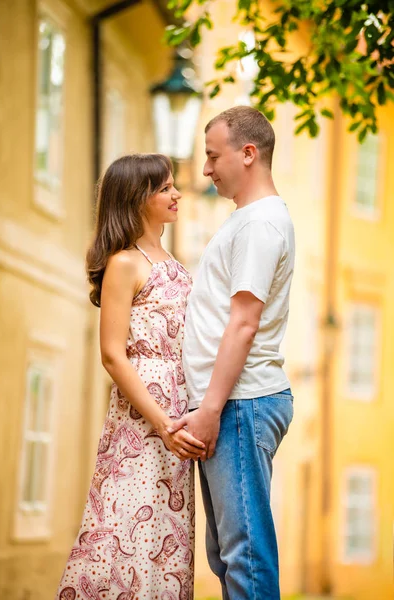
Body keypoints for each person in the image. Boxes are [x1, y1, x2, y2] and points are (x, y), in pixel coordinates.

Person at [56, 154, 205, 600]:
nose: (177, 194)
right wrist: (161, 423)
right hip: (143, 424)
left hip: (176, 422)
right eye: (165, 188)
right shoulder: (125, 263)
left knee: (164, 535)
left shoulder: (175, 262)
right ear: (138, 199)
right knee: (125, 528)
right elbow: (112, 355)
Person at [169, 106, 295, 600]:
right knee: (227, 554)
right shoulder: (247, 220)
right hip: (231, 405)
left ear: (248, 154)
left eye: (212, 156)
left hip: (239, 404)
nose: (205, 169)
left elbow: (244, 324)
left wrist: (210, 410)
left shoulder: (261, 224)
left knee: (246, 558)